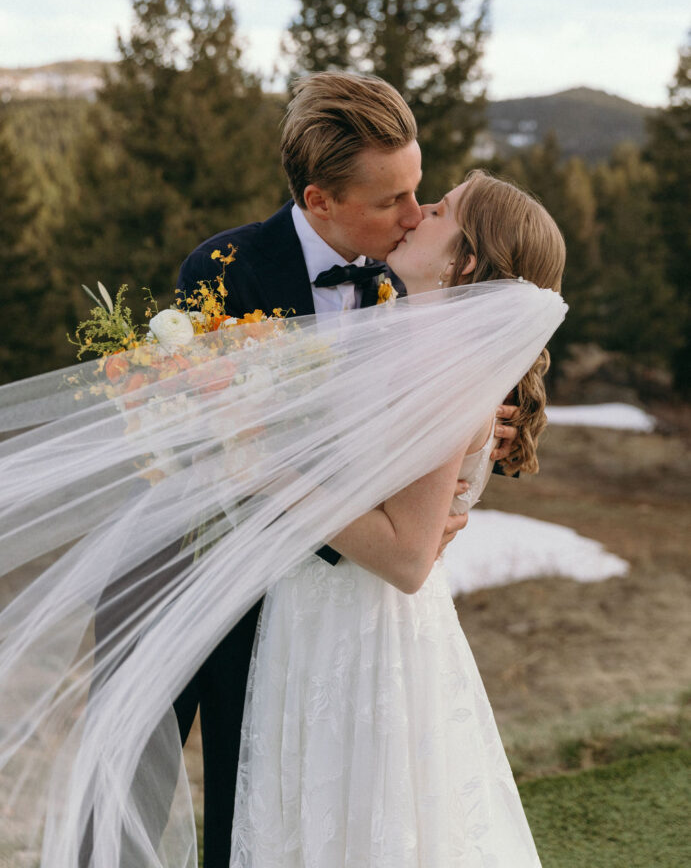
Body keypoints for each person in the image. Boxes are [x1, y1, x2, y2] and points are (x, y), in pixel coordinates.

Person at [172, 72, 522, 866]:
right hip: (241, 586)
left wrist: (446, 488)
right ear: (318, 200)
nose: (412, 215)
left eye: (418, 191)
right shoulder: (222, 272)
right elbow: (205, 452)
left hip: (361, 605)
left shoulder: (420, 284)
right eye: (388, 200)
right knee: (247, 806)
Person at [229, 170, 566, 867]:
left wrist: (262, 470)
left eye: (438, 210)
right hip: (320, 616)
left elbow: (407, 560)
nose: (415, 216)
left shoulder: (439, 366)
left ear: (463, 260)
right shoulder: (412, 341)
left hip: (363, 630)